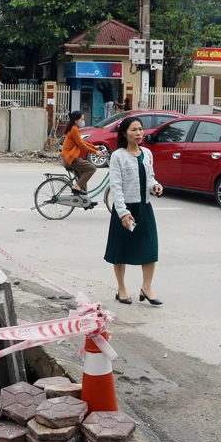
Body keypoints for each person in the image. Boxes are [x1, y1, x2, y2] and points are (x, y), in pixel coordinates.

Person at [105, 116, 163, 306]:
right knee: (120, 249)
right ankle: (121, 288)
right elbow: (116, 186)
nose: (139, 133)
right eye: (134, 130)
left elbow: (150, 177)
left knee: (150, 248)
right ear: (124, 133)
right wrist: (122, 212)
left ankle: (146, 288)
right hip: (125, 209)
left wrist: (155, 185)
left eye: (140, 129)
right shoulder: (118, 156)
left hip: (144, 207)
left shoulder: (147, 153)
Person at [61, 111, 104, 198]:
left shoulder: (74, 128)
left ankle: (85, 200)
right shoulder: (74, 129)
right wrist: (95, 152)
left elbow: (81, 142)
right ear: (76, 120)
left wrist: (94, 147)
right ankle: (76, 187)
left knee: (82, 177)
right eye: (82, 119)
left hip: (68, 158)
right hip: (70, 159)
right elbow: (81, 145)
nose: (83, 121)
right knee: (92, 168)